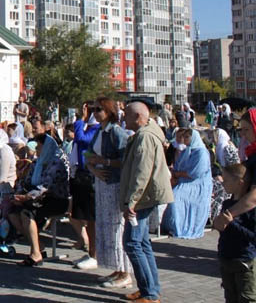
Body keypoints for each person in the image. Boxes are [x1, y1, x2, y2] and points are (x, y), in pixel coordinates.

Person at [119, 101, 174, 303]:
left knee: (132, 243)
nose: (123, 118)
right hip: (147, 195)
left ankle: (150, 293)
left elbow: (142, 173)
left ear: (138, 117)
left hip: (143, 197)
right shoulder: (147, 133)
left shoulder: (144, 137)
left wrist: (131, 201)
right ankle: (149, 289)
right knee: (141, 243)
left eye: (126, 115)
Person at [84, 97, 132, 287]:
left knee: (117, 228)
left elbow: (126, 159)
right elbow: (88, 154)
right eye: (93, 109)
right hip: (101, 184)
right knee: (107, 228)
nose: (95, 113)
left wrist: (105, 162)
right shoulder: (99, 132)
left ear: (108, 111)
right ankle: (117, 268)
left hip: (114, 184)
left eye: (99, 109)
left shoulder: (116, 133)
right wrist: (94, 168)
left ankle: (126, 272)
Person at [8, 134, 70, 267]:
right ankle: (38, 245)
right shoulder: (37, 163)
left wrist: (26, 198)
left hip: (55, 199)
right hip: (36, 198)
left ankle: (35, 253)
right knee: (12, 213)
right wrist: (19, 195)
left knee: (27, 213)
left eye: (39, 146)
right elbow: (26, 182)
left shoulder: (56, 163)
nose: (36, 149)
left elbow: (45, 187)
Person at [162, 128, 212, 239]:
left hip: (196, 184)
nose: (184, 139)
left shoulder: (201, 152)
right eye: (184, 137)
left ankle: (180, 227)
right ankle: (172, 225)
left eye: (187, 137)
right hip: (184, 180)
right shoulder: (187, 150)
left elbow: (195, 173)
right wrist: (174, 174)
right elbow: (178, 165)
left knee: (176, 196)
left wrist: (178, 174)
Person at [217, 163, 256, 303]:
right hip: (226, 258)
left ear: (239, 183)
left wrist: (232, 223)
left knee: (246, 299)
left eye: (226, 180)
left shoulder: (249, 208)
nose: (222, 183)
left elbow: (253, 237)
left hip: (244, 261)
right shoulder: (227, 203)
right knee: (230, 298)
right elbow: (223, 231)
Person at [69, 101, 101, 260]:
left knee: (91, 217)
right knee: (81, 215)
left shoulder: (96, 130)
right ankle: (88, 249)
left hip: (90, 176)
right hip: (80, 173)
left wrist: (81, 118)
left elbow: (81, 139)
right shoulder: (88, 128)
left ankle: (94, 253)